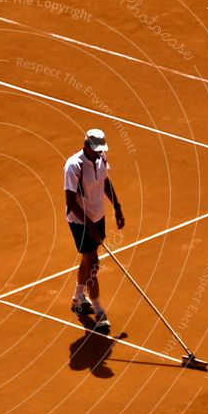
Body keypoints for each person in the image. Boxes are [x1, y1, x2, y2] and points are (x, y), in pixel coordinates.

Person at [63, 128, 125, 327]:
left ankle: (78, 298)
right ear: (86, 145)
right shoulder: (74, 166)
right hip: (80, 221)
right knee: (93, 265)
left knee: (88, 260)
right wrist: (88, 225)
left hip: (98, 217)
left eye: (101, 149)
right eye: (96, 148)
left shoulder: (101, 158)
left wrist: (117, 207)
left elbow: (106, 182)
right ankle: (98, 310)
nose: (99, 152)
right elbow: (71, 201)